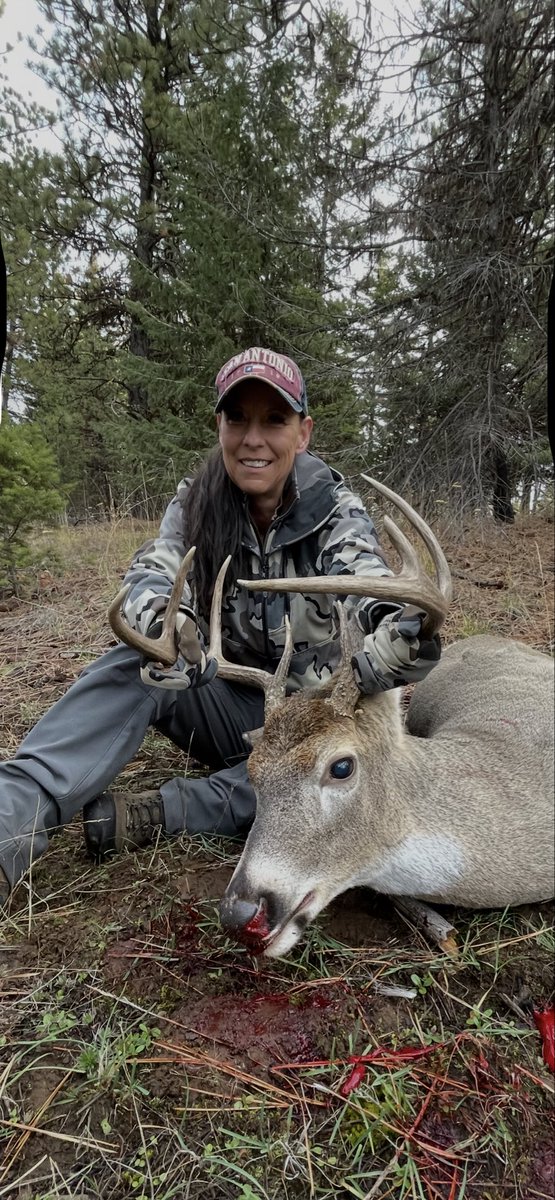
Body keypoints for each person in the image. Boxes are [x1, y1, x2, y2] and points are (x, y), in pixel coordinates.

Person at [0, 348, 441, 907]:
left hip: (316, 723)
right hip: (226, 701)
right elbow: (152, 573)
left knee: (331, 778)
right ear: (220, 427)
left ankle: (165, 811)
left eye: (274, 420)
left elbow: (368, 582)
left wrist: (394, 633)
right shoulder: (197, 502)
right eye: (238, 419)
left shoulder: (335, 512)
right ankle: (12, 818)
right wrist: (168, 626)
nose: (253, 439)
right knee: (138, 662)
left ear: (303, 433)